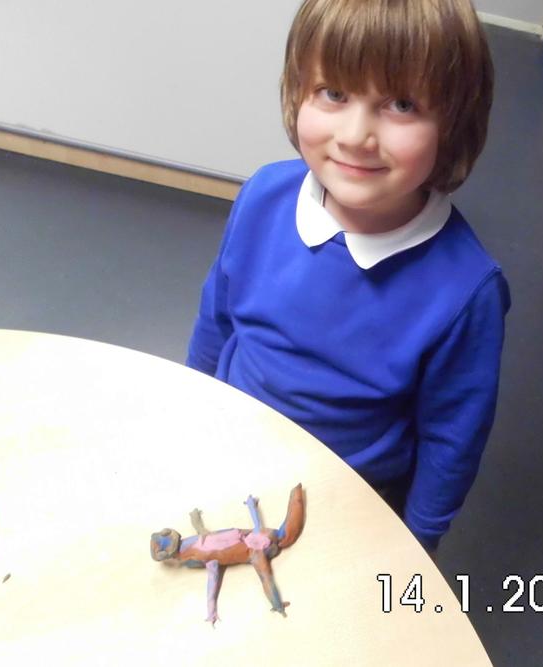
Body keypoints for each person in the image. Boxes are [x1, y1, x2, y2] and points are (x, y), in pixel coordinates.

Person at [187, 0, 510, 554]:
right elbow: (216, 318)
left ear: (454, 123)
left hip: (352, 499)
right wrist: (191, 407)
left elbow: (452, 438)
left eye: (401, 104)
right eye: (333, 93)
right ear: (299, 92)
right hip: (233, 442)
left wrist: (417, 543)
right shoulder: (263, 195)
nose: (357, 135)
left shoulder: (467, 289)